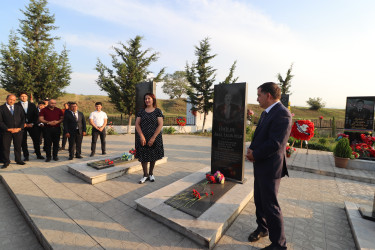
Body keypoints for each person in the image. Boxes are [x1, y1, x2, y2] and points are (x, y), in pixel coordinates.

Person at [246, 82, 292, 250]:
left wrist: (255, 154)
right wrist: (252, 149)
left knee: (271, 205)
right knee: (260, 201)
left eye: (259, 95)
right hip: (261, 165)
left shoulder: (282, 114)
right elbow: (262, 136)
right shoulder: (267, 113)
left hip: (270, 168)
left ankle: (279, 244)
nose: (257, 98)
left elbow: (276, 143)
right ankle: (262, 228)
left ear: (269, 96)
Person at [135, 93, 164, 184]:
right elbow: (137, 124)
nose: (147, 100)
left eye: (149, 98)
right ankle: (145, 175)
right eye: (145, 99)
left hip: (155, 137)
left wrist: (153, 137)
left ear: (153, 99)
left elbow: (160, 124)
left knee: (153, 155)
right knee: (143, 156)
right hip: (143, 136)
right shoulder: (141, 111)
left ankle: (151, 173)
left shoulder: (157, 111)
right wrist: (141, 136)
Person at [16, 92, 44, 161]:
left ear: (27, 97)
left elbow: (36, 115)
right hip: (22, 126)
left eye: (25, 96)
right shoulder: (16, 105)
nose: (23, 97)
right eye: (22, 96)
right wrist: (23, 124)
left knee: (36, 140)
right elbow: (16, 116)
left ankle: (38, 154)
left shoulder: (32, 105)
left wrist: (32, 123)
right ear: (19, 97)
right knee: (23, 141)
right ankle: (26, 156)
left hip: (32, 125)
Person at [0, 94, 26, 168]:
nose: (12, 101)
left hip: (18, 131)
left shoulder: (19, 108)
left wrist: (19, 128)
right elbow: (0, 121)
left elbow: (23, 119)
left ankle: (18, 160)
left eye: (14, 100)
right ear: (6, 99)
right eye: (10, 99)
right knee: (5, 147)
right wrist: (7, 129)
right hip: (6, 131)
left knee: (18, 146)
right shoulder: (1, 108)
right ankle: (6, 161)